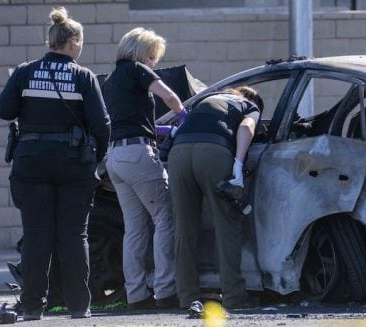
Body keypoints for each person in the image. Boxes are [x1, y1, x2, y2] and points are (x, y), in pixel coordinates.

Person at [0, 7, 110, 320]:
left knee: (36, 235)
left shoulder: (25, 71)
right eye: (81, 40)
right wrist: (94, 161)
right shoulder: (83, 76)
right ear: (72, 42)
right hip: (74, 164)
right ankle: (78, 307)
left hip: (31, 162)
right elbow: (102, 125)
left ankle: (32, 307)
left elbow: (4, 110)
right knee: (74, 236)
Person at [102, 27, 185, 309]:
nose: (155, 63)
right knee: (165, 218)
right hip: (138, 155)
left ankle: (136, 294)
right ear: (141, 54)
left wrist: (161, 129)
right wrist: (185, 117)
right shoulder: (139, 69)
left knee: (135, 227)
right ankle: (165, 291)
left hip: (115, 157)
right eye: (153, 57)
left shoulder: (112, 79)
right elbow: (170, 98)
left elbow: (131, 121)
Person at [169, 86, 263, 310]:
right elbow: (246, 128)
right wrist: (238, 165)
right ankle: (234, 296)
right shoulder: (249, 106)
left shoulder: (206, 100)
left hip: (179, 154)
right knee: (227, 224)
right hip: (213, 153)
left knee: (183, 228)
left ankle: (187, 296)